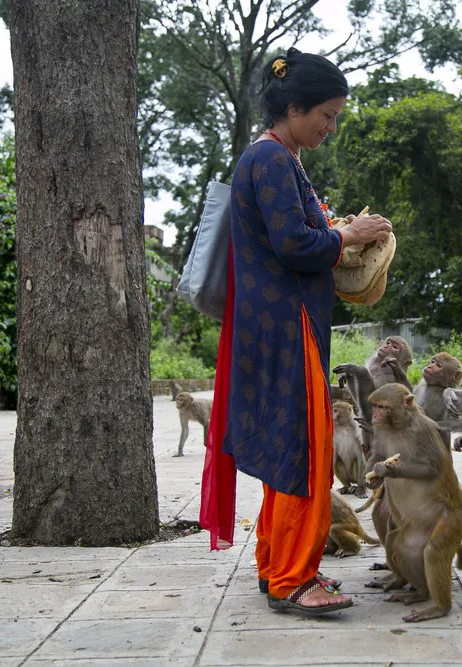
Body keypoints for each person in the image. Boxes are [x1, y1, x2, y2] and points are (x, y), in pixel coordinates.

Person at [199, 48, 392, 617]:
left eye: (335, 117)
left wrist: (337, 231)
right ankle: (291, 576)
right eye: (326, 115)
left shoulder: (277, 157)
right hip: (287, 330)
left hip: (276, 326)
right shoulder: (273, 161)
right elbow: (295, 245)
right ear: (294, 107)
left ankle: (275, 564)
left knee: (288, 449)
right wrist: (349, 234)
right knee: (304, 453)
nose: (330, 127)